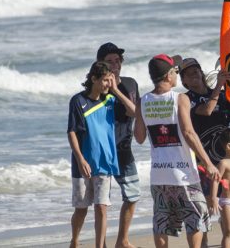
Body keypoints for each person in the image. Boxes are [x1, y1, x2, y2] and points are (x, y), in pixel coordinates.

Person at [134, 54, 220, 248]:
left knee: (161, 223)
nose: (176, 74)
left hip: (158, 174)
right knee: (195, 220)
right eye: (175, 71)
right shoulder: (180, 98)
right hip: (183, 174)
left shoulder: (143, 101)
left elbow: (139, 137)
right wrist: (208, 163)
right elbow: (189, 133)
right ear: (167, 76)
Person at [180, 57, 230, 248]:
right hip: (203, 161)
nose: (194, 73)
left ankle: (227, 242)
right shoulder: (186, 99)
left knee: (227, 206)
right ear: (184, 81)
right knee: (206, 205)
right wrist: (218, 88)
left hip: (226, 161)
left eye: (196, 70)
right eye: (188, 73)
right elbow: (206, 111)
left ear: (202, 73)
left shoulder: (223, 95)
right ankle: (204, 242)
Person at [67, 61, 136, 248]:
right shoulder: (78, 101)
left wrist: (116, 90)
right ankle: (74, 240)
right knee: (81, 209)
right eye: (105, 80)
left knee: (101, 208)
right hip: (82, 164)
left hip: (105, 162)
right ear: (93, 79)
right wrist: (81, 159)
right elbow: (72, 131)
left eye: (110, 80)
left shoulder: (110, 100)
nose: (107, 84)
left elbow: (134, 111)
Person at [96, 42, 140, 248]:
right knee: (101, 203)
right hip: (101, 153)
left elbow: (135, 112)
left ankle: (122, 241)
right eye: (109, 61)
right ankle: (101, 244)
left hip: (124, 150)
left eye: (117, 60)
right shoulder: (96, 88)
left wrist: (116, 90)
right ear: (100, 64)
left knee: (133, 195)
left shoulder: (130, 84)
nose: (115, 65)